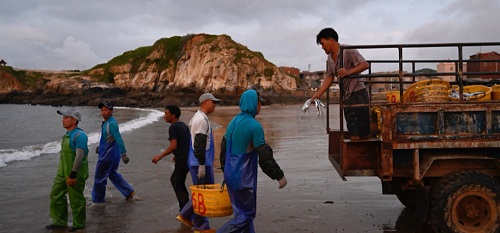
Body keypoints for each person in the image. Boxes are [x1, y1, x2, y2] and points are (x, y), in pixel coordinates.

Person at [218, 89, 287, 233]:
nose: (260, 106)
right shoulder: (254, 126)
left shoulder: (233, 122)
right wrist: (279, 175)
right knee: (247, 215)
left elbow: (223, 149)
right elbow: (264, 155)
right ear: (253, 104)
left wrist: (225, 171)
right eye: (259, 103)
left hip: (230, 174)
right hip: (244, 178)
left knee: (240, 212)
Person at [311, 27, 370, 140]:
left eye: (323, 44)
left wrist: (348, 72)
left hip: (358, 93)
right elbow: (329, 77)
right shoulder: (329, 59)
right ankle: (357, 153)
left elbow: (365, 65)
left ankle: (363, 154)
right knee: (353, 130)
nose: (322, 47)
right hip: (346, 96)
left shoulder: (348, 50)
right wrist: (318, 93)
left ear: (331, 40)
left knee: (362, 132)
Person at [177, 93, 221, 233]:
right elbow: (199, 144)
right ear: (206, 102)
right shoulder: (201, 120)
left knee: (201, 193)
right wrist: (202, 165)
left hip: (199, 160)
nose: (215, 105)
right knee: (203, 195)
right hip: (200, 162)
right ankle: (199, 225)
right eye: (213, 102)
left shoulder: (198, 117)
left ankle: (190, 218)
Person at [46, 109, 89, 232]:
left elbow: (79, 156)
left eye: (66, 117)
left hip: (75, 173)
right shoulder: (66, 135)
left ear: (74, 120)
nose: (63, 120)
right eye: (63, 117)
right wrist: (62, 172)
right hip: (62, 172)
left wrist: (73, 174)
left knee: (76, 199)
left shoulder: (80, 136)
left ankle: (79, 224)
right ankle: (59, 221)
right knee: (56, 195)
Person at [92, 102, 135, 203]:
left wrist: (123, 154)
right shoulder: (107, 122)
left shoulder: (111, 124)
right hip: (110, 152)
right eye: (102, 110)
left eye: (106, 110)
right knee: (112, 173)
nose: (103, 112)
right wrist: (100, 147)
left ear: (111, 111)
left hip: (108, 155)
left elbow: (118, 139)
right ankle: (128, 192)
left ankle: (98, 200)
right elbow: (108, 138)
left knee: (100, 176)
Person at [152, 105, 191, 211]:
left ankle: (185, 209)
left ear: (173, 115)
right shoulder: (183, 125)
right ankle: (186, 207)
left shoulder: (173, 127)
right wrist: (176, 154)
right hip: (187, 158)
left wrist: (159, 156)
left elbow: (173, 145)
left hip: (182, 159)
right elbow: (186, 142)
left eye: (166, 113)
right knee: (177, 180)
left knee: (177, 181)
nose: (164, 116)